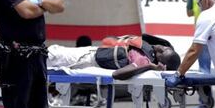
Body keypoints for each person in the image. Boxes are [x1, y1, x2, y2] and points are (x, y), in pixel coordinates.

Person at [47, 34, 181, 80]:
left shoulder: (144, 60)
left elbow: (117, 75)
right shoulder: (148, 48)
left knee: (52, 55)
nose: (162, 47)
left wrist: (150, 66)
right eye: (165, 47)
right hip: (91, 52)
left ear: (160, 60)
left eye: (163, 51)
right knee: (53, 53)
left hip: (87, 59)